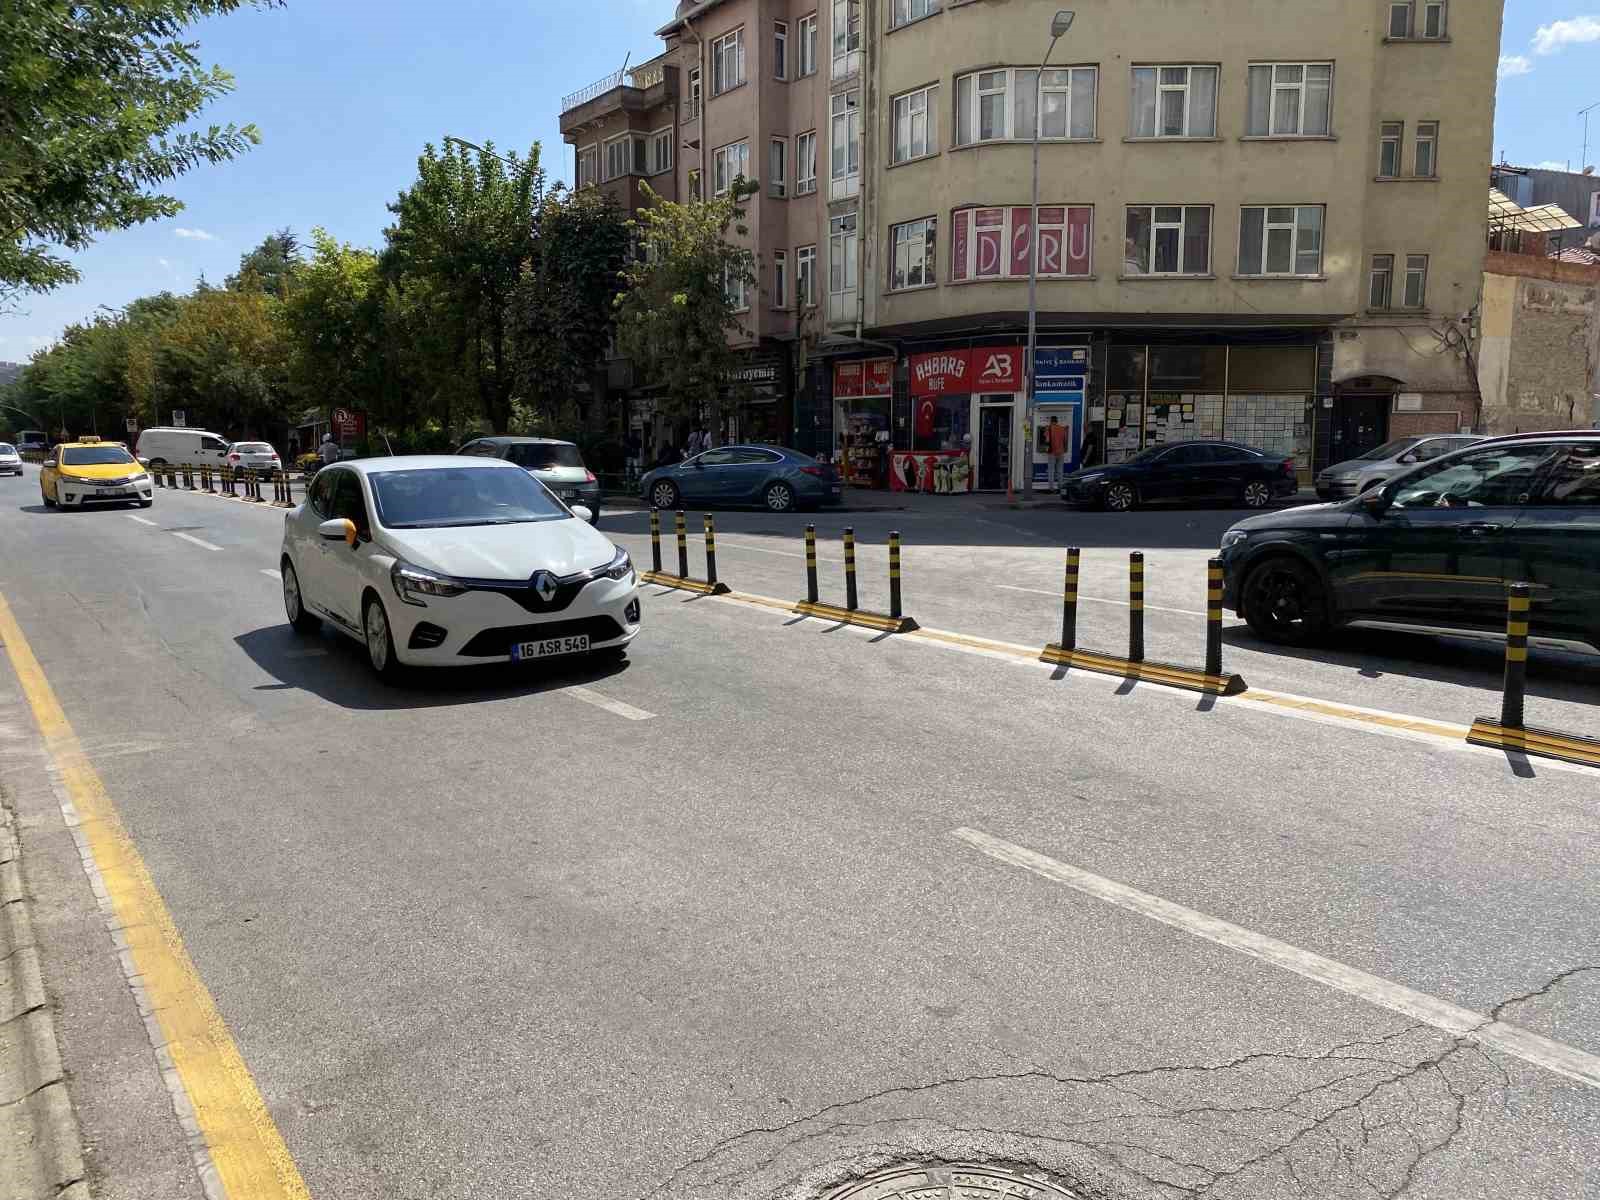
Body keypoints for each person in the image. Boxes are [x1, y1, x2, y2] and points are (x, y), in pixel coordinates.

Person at [1046, 415, 1069, 487]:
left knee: (1051, 470)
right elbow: (1065, 441)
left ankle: (1051, 487)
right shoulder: (1062, 429)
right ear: (1057, 421)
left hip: (1052, 452)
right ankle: (1060, 486)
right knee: (1060, 470)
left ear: (1051, 421)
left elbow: (1047, 440)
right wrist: (1064, 449)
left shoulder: (1049, 428)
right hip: (1061, 452)